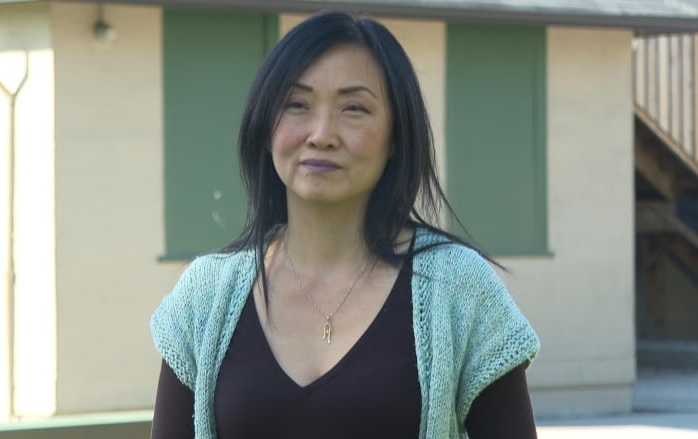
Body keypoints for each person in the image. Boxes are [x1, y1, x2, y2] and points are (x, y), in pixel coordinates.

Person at [150, 10, 540, 439]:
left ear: (396, 136)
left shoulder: (460, 290)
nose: (321, 134)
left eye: (354, 108)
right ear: (265, 127)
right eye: (296, 104)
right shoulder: (204, 297)